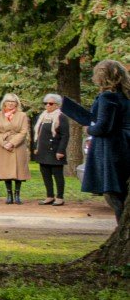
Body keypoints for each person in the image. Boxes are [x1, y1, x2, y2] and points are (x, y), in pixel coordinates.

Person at [60, 60, 130, 224]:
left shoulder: (107, 97)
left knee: (113, 192)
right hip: (124, 144)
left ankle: (122, 227)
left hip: (112, 148)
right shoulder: (125, 95)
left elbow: (103, 127)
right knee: (122, 190)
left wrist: (89, 129)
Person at [0, 93, 30, 204]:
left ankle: (17, 194)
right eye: (8, 101)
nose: (10, 103)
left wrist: (12, 143)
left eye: (13, 101)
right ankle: (9, 194)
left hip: (18, 146)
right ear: (4, 103)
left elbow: (24, 131)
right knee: (6, 171)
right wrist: (3, 143)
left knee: (19, 171)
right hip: (3, 145)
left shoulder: (22, 115)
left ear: (17, 104)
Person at [33, 93, 70, 206]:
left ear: (57, 105)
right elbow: (37, 133)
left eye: (50, 103)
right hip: (43, 150)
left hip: (55, 150)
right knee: (45, 174)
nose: (47, 105)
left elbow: (65, 135)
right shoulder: (42, 116)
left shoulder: (61, 117)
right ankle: (49, 196)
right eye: (46, 103)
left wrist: (60, 151)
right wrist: (36, 147)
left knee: (57, 175)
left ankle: (59, 197)